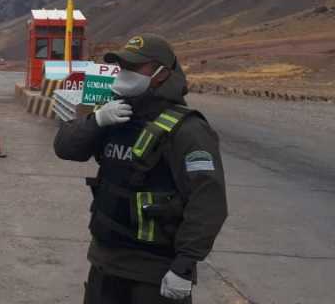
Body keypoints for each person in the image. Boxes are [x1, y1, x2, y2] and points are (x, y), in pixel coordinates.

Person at [54, 34, 228, 303]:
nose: (125, 73)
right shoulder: (115, 114)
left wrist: (184, 265)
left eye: (135, 67)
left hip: (153, 274)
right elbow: (65, 148)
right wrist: (96, 121)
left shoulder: (188, 130)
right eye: (122, 67)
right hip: (105, 262)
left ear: (161, 74)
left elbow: (208, 201)